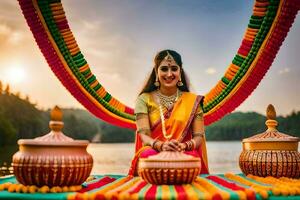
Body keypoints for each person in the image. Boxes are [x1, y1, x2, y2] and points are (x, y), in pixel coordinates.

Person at [128, 49, 209, 176]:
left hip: (183, 151)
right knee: (147, 155)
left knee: (193, 157)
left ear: (180, 72)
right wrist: (161, 146)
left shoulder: (193, 101)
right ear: (156, 71)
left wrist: (184, 146)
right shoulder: (144, 99)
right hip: (154, 151)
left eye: (174, 69)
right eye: (164, 69)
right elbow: (144, 135)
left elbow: (198, 136)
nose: (169, 74)